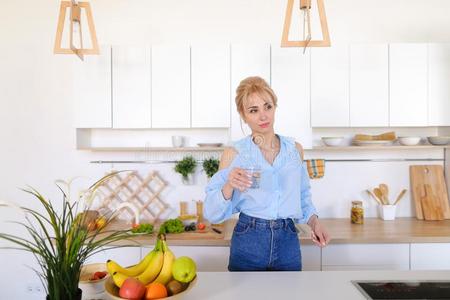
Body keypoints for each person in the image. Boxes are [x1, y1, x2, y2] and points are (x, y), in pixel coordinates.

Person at [204, 76, 330, 271]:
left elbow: (303, 196)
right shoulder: (234, 154)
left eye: (267, 107)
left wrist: (315, 222)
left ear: (274, 107)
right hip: (248, 240)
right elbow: (212, 213)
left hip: (288, 240)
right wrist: (229, 184)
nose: (263, 116)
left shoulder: (294, 150)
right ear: (243, 115)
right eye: (253, 110)